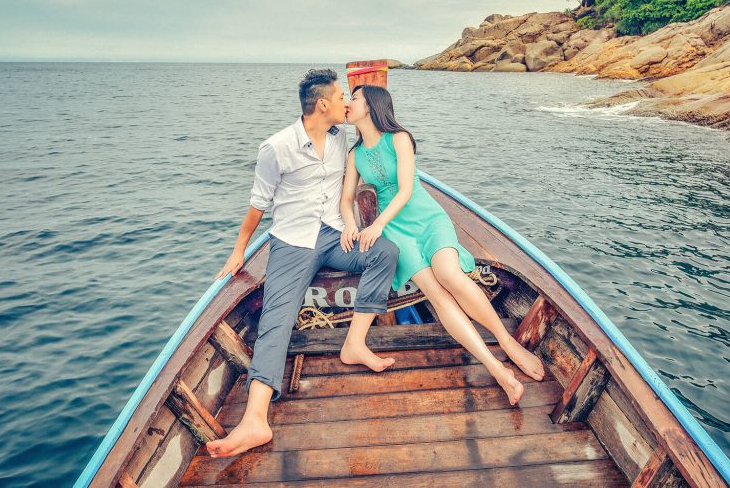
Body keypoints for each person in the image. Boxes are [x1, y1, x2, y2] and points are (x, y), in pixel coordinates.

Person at [205, 70, 400, 458]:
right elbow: (258, 205)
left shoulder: (340, 135)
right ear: (323, 104)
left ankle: (355, 345)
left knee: (386, 252)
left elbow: (373, 128)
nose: (347, 101)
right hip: (292, 244)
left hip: (334, 236)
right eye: (341, 96)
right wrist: (239, 249)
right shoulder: (276, 148)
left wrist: (351, 225)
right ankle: (255, 419)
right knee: (278, 317)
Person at [340, 84, 546, 406]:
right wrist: (351, 224)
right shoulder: (354, 155)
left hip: (426, 218)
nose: (348, 104)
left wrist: (376, 223)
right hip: (397, 231)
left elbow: (406, 189)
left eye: (353, 98)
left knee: (449, 275)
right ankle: (496, 369)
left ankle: (507, 344)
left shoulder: (400, 139)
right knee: (436, 294)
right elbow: (346, 200)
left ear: (372, 106)